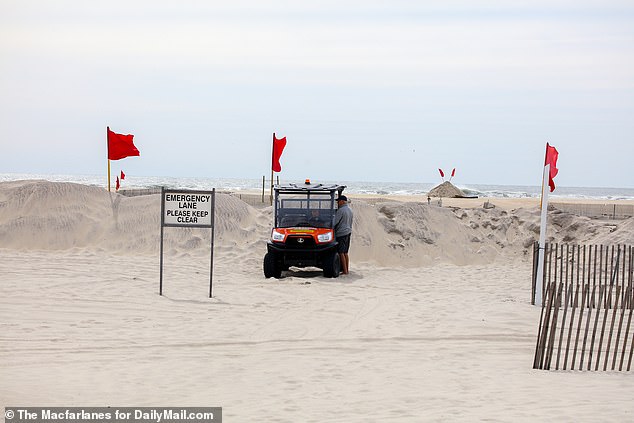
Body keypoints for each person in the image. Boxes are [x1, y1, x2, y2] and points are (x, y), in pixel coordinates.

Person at [334, 194, 353, 275]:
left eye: (338, 201)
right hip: (348, 232)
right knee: (345, 252)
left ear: (342, 201)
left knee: (341, 252)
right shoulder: (350, 210)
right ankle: (346, 270)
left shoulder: (341, 210)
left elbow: (335, 222)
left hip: (341, 233)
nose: (337, 203)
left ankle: (344, 271)